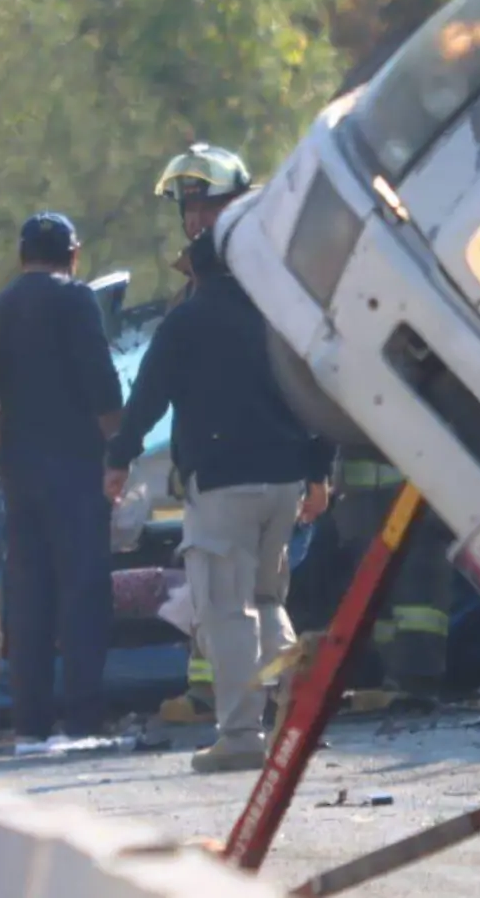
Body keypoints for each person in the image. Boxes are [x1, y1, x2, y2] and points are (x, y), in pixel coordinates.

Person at [106, 229, 333, 774]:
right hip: (285, 482)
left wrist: (119, 458)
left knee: (226, 610)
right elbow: (315, 391)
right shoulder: (278, 317)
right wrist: (319, 474)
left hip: (223, 484)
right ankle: (293, 693)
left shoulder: (188, 321)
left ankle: (240, 734)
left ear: (199, 271)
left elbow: (148, 396)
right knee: (267, 598)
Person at [0, 212, 123, 753]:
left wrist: (6, 440)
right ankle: (82, 723)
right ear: (73, 255)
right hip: (76, 467)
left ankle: (29, 727)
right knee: (83, 592)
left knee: (29, 596)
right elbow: (103, 385)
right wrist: (118, 452)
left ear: (21, 256)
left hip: (19, 470)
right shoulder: (75, 300)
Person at [150, 141, 256, 724]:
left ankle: (246, 703)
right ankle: (206, 693)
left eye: (206, 207)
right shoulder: (193, 283)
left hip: (254, 456)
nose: (195, 220)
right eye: (188, 210)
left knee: (247, 590)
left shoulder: (262, 270)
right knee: (209, 583)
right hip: (207, 460)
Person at [329, 444, 456, 711]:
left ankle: (414, 681)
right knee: (379, 599)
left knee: (418, 599)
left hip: (408, 494)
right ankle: (396, 679)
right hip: (368, 500)